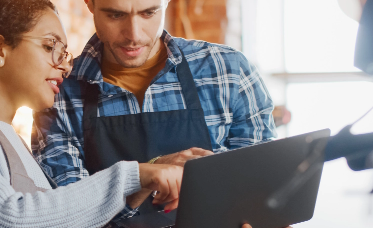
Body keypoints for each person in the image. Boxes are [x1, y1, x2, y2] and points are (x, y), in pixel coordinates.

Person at [0, 0, 185, 227]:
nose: (64, 67)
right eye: (50, 47)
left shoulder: (19, 145)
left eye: (65, 54)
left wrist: (148, 176)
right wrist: (132, 175)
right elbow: (9, 219)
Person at [32, 0, 277, 226]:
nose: (134, 35)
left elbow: (260, 192)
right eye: (116, 15)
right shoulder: (58, 94)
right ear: (90, 3)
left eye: (149, 13)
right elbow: (69, 218)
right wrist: (146, 173)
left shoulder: (228, 71)